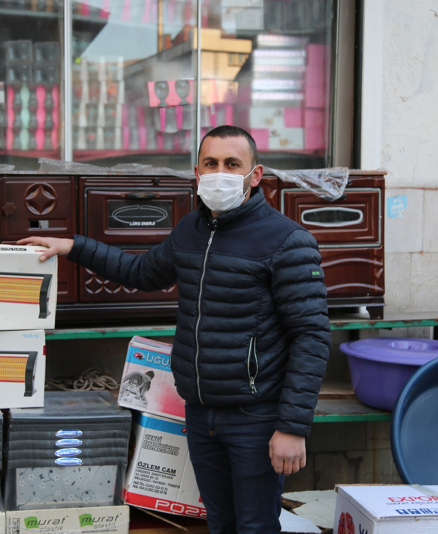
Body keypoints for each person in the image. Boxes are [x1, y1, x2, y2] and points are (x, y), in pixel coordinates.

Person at [18, 125, 330, 533]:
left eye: (232, 164)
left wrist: (291, 427)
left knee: (255, 526)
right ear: (197, 173)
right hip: (200, 411)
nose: (220, 172)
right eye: (211, 164)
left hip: (255, 416)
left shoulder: (286, 240)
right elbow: (140, 272)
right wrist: (74, 247)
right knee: (219, 523)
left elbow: (311, 336)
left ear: (255, 175)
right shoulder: (191, 230)